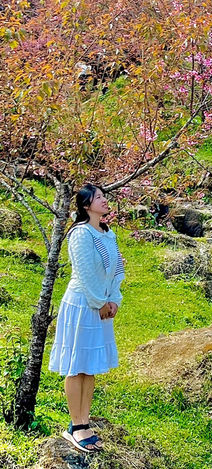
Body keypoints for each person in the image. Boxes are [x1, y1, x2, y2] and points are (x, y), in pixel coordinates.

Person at [48, 185, 125, 453]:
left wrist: (114, 299)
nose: (105, 201)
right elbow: (83, 274)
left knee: (89, 366)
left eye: (105, 196)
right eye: (99, 198)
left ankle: (84, 421)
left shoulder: (108, 234)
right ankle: (75, 425)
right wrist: (100, 302)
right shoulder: (80, 235)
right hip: (82, 304)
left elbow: (117, 270)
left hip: (102, 305)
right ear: (85, 205)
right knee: (76, 364)